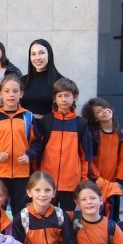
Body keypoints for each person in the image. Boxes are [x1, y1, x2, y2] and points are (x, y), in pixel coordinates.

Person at [0, 74, 38, 215]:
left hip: (22, 174)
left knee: (21, 211)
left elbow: (37, 143)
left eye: (15, 91)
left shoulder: (28, 117)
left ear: (21, 94)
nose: (11, 95)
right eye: (7, 91)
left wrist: (29, 155)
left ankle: (18, 237)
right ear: (0, 93)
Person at [37, 78, 92, 211]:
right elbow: (38, 151)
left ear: (75, 97)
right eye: (59, 95)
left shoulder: (81, 124)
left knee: (68, 218)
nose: (63, 99)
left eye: (67, 95)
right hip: (47, 182)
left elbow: (86, 156)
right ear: (54, 99)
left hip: (71, 182)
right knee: (47, 217)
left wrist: (83, 180)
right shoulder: (46, 121)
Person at [82, 97, 123, 221]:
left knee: (113, 216)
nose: (103, 111)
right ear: (95, 118)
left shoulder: (122, 135)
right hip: (96, 182)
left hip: (113, 182)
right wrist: (97, 179)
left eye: (104, 108)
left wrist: (118, 181)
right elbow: (88, 159)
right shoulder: (91, 135)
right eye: (98, 111)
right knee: (96, 213)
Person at [20, 39, 64, 118]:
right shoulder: (22, 81)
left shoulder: (61, 82)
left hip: (50, 128)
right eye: (33, 54)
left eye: (41, 53)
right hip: (25, 127)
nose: (37, 58)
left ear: (49, 55)